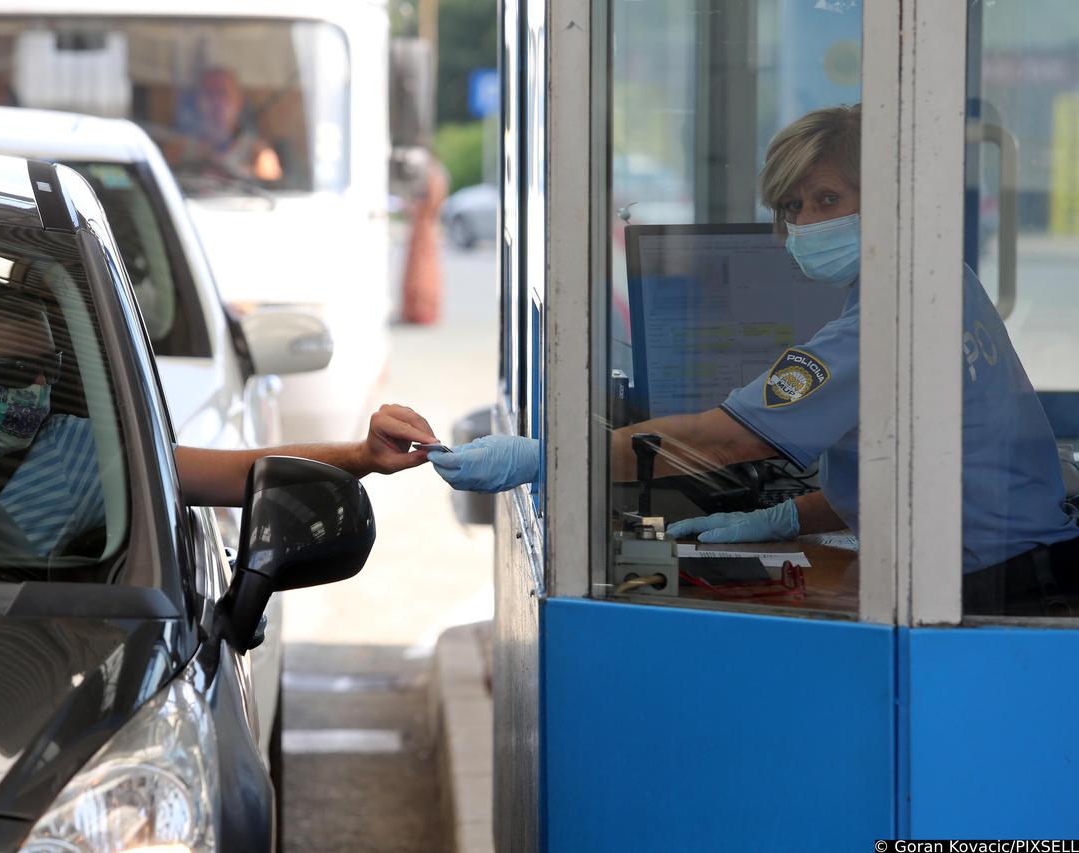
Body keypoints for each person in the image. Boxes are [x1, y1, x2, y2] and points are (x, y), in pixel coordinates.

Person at [431, 103, 1079, 615]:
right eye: (793, 208)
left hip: (990, 591)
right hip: (1016, 566)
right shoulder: (944, 279)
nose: (805, 223)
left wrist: (548, 459)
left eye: (828, 199)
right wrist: (784, 515)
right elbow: (914, 473)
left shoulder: (882, 325)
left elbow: (722, 442)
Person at [0, 293, 437, 556]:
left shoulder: (74, 454)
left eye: (49, 371)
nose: (35, 392)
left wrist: (362, 454)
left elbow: (238, 473)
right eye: (14, 371)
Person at [183, 67, 282, 183]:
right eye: (209, 94)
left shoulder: (257, 151)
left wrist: (243, 174)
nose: (216, 103)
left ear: (238, 102)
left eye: (222, 94)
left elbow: (273, 184)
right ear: (198, 103)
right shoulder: (182, 148)